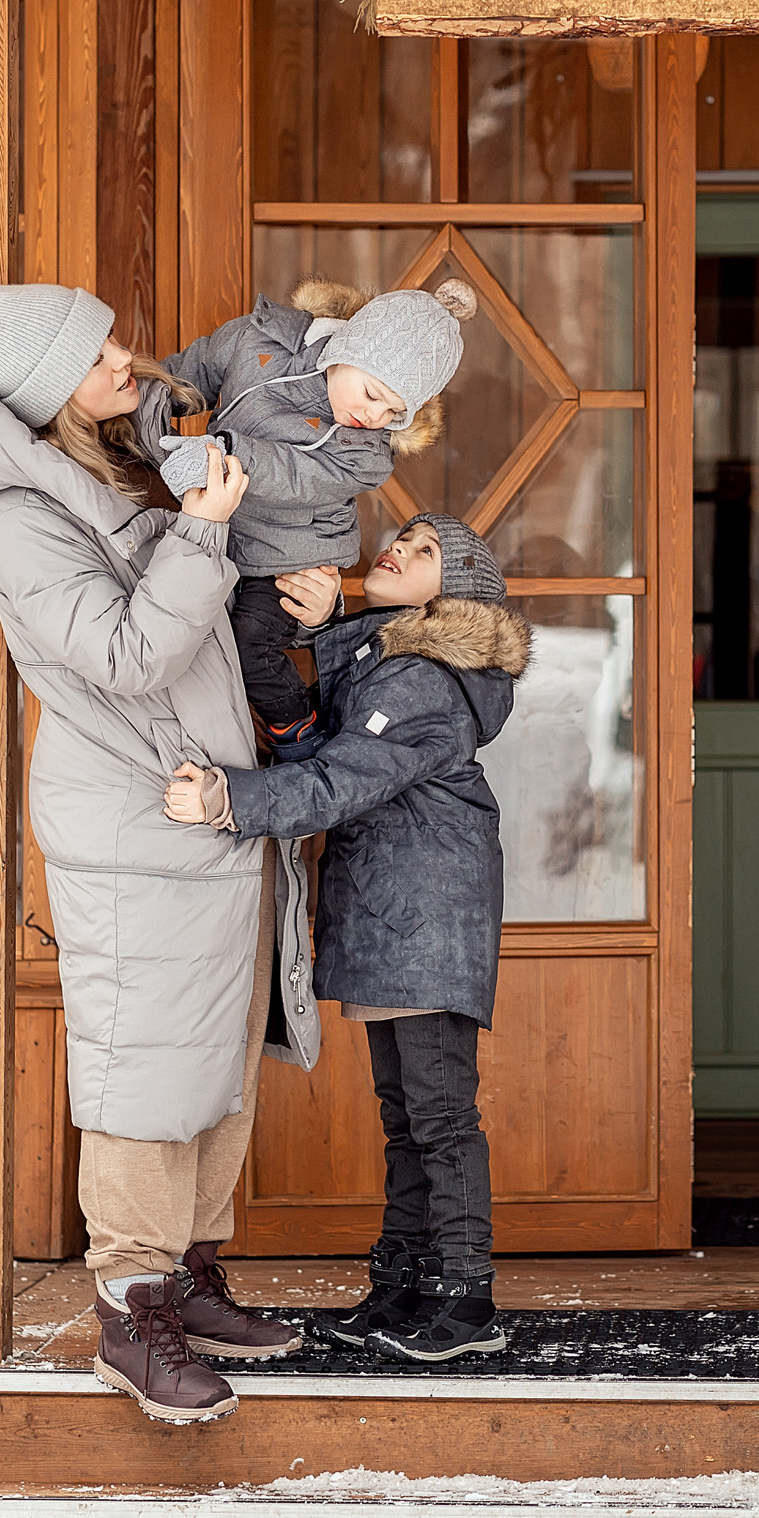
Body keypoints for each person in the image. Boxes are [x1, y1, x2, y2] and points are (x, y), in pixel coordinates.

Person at [0, 282, 324, 1424]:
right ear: (40, 385)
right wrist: (205, 530)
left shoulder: (116, 463)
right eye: (97, 349)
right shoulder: (21, 517)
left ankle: (190, 1272)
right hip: (132, 820)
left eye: (113, 337)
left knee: (208, 1057)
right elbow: (121, 656)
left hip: (202, 806)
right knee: (139, 1067)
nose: (126, 357)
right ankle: (130, 1309)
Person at [162, 512, 526, 1362]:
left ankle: (466, 1300)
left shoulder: (424, 683)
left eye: (425, 550)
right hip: (403, 918)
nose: (396, 547)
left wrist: (230, 800)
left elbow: (335, 781)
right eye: (402, 533)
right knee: (409, 1118)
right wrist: (325, 628)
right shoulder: (400, 663)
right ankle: (401, 1286)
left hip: (426, 921)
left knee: (437, 1118)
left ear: (456, 593)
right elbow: (338, 742)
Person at [147, 276, 475, 760]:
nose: (375, 415)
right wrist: (142, 416)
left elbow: (293, 475)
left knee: (247, 646)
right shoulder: (258, 340)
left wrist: (223, 453)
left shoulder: (365, 454)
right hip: (220, 522)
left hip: (292, 555)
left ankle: (298, 734)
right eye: (372, 392)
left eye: (395, 411)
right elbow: (186, 375)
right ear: (347, 347)